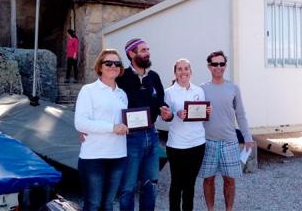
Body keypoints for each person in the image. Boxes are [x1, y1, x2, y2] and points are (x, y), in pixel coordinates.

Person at [116, 38, 173, 211]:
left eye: (148, 49)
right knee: (128, 187)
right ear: (131, 54)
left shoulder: (154, 77)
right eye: (143, 50)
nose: (147, 52)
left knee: (151, 185)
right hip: (130, 138)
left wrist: (167, 114)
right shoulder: (121, 77)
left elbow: (162, 104)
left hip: (153, 135)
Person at [199, 50, 255, 211]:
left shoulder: (233, 88)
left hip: (230, 142)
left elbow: (241, 115)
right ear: (209, 66)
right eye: (215, 64)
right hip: (208, 141)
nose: (218, 67)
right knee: (208, 179)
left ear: (225, 66)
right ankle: (210, 209)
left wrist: (248, 137)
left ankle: (229, 209)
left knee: (230, 180)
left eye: (222, 64)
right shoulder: (201, 89)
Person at [74, 49, 129, 211]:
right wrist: (112, 128)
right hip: (94, 157)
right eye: (109, 63)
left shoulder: (122, 94)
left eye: (117, 63)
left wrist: (128, 127)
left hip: (118, 155)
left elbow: (124, 122)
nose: (113, 66)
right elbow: (81, 123)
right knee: (93, 204)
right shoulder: (88, 90)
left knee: (108, 204)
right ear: (100, 67)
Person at [164, 59, 210, 211]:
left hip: (197, 144)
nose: (183, 72)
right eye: (179, 69)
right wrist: (175, 114)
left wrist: (206, 112)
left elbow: (201, 115)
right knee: (177, 184)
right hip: (177, 145)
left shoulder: (199, 91)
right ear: (175, 73)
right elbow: (164, 117)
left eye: (186, 68)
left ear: (191, 71)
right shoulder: (169, 92)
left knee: (190, 184)